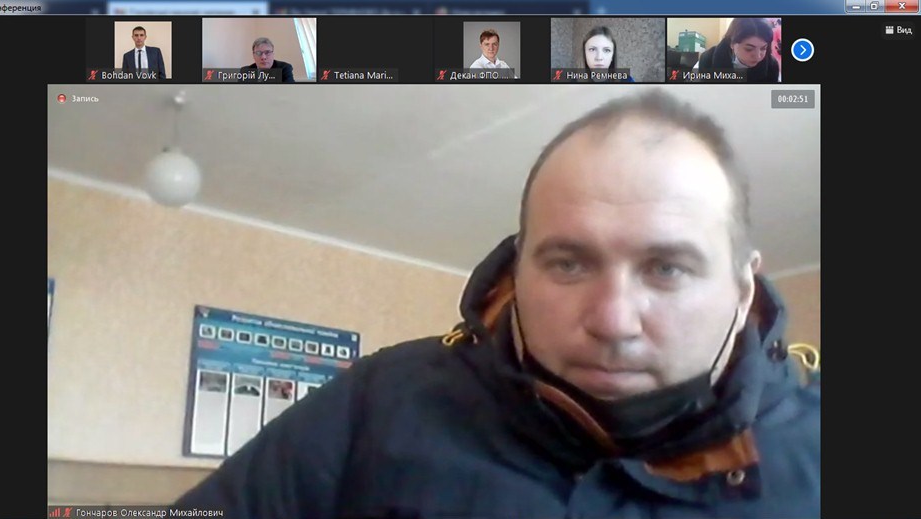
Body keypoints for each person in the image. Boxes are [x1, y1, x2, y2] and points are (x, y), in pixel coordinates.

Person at [173, 90, 820, 518]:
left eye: (667, 268)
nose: (613, 320)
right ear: (517, 268)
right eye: (569, 263)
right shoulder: (379, 401)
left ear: (742, 289)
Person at [695, 18, 780, 83]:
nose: (758, 56)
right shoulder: (708, 59)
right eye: (749, 49)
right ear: (732, 43)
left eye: (763, 48)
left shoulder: (771, 65)